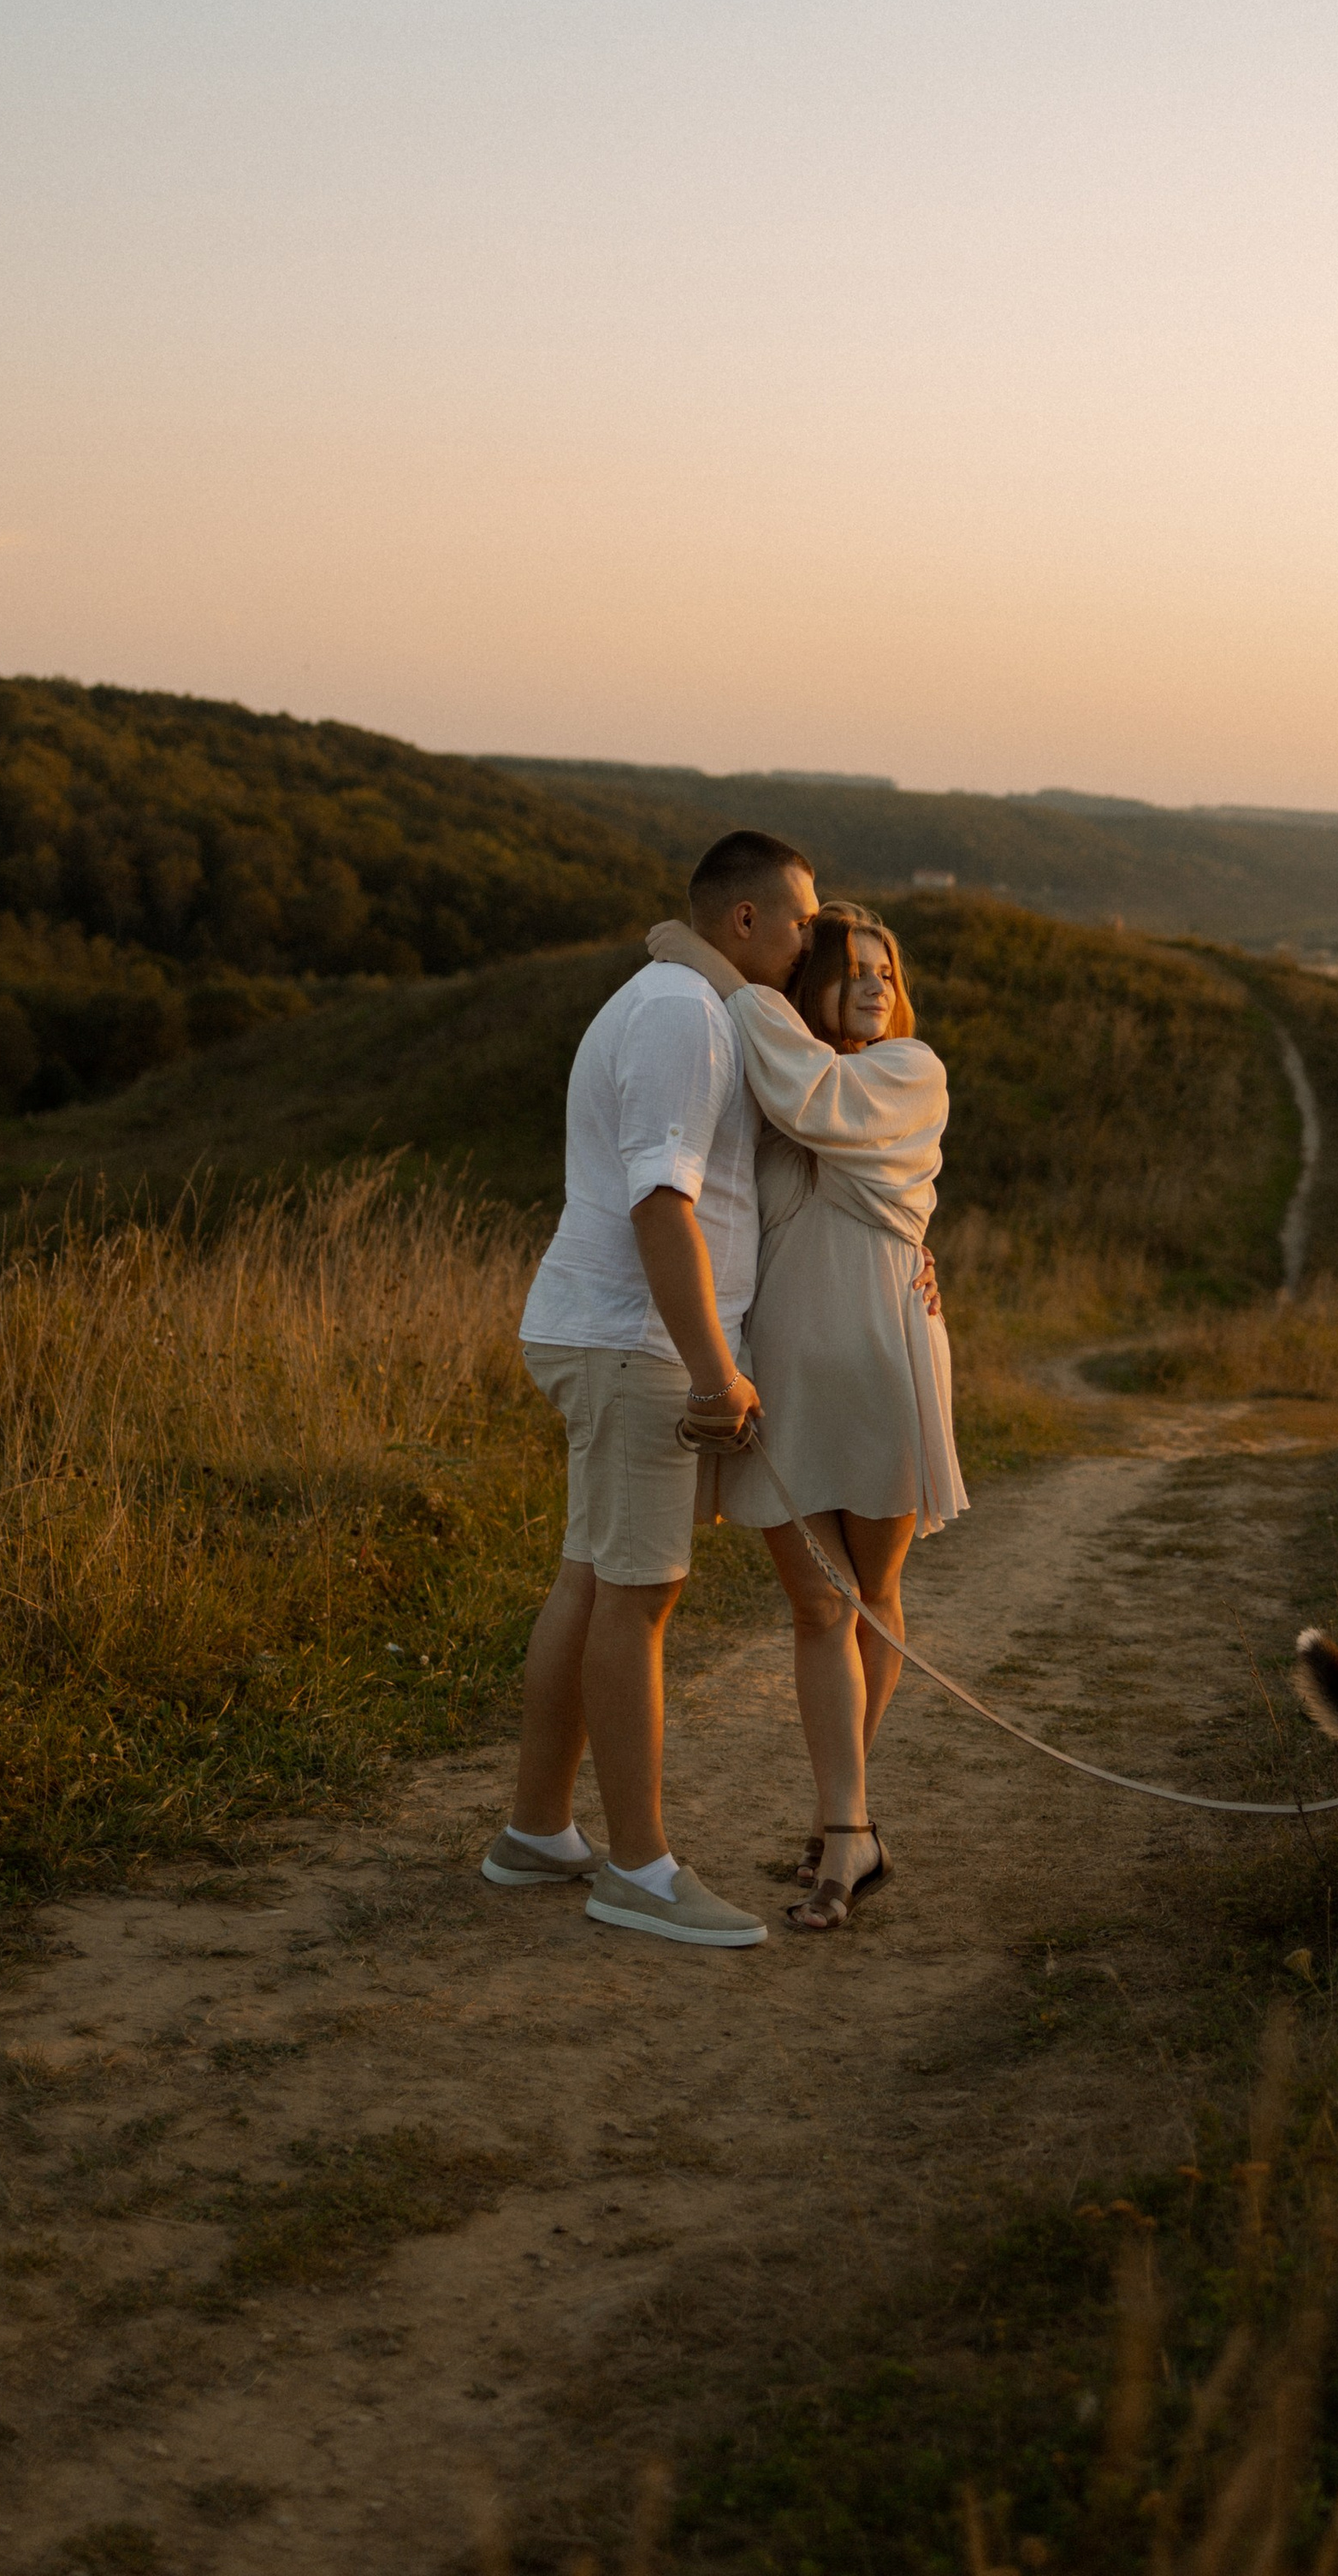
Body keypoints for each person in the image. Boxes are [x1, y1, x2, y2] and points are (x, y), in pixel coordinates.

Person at [481, 828, 818, 1948]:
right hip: (637, 1345)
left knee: (591, 1578)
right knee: (639, 1595)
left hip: (606, 1331)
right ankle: (640, 1870)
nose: (810, 936)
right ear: (744, 920)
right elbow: (661, 1202)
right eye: (801, 919)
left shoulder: (669, 997)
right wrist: (714, 1371)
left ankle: (537, 1832)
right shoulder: (682, 1013)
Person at [647, 903, 964, 1934]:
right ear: (809, 984)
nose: (875, 983)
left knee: (872, 1592)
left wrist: (721, 974)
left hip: (885, 1362)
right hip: (783, 1374)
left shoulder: (905, 1070)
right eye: (851, 968)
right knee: (817, 1608)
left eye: (885, 968)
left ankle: (843, 1825)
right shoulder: (767, 1075)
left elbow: (816, 1095)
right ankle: (848, 1823)